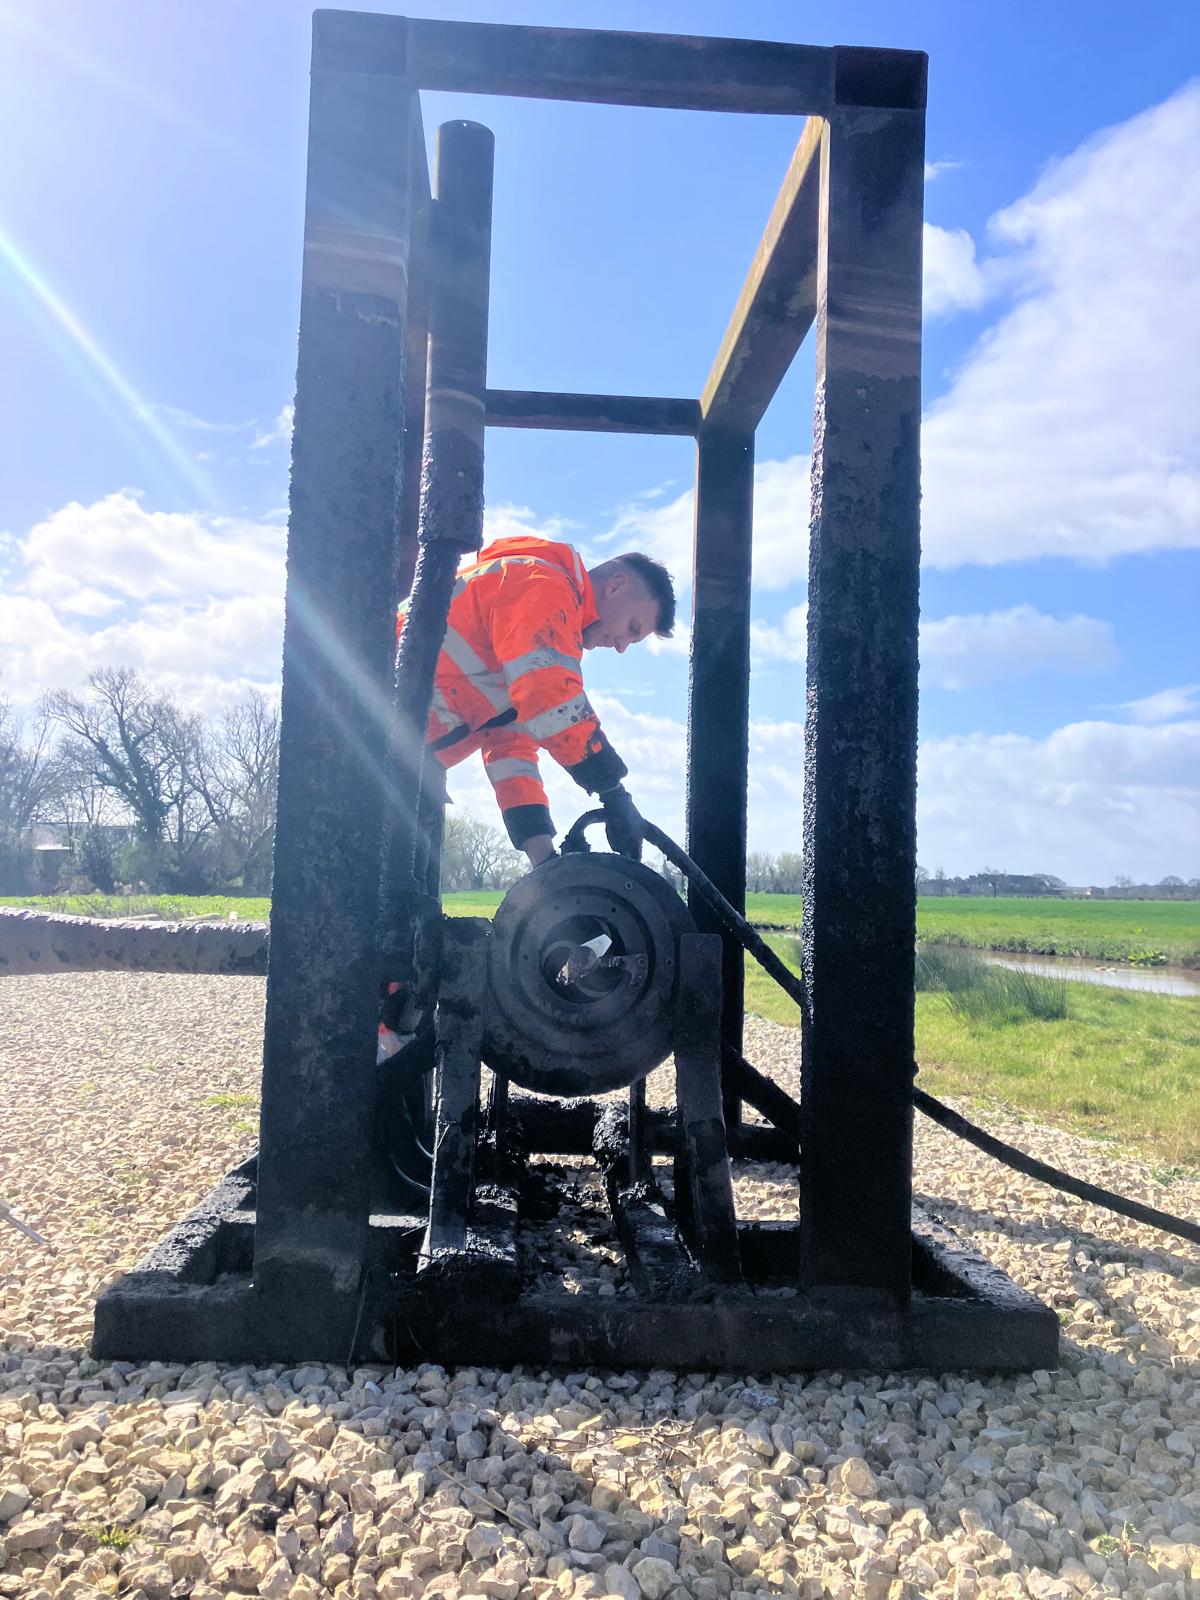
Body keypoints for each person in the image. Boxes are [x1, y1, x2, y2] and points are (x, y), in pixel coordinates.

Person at [396, 531, 676, 869]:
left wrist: (546, 864)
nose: (621, 646)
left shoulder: (540, 634)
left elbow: (512, 752)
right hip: (362, 727)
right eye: (633, 628)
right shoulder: (542, 583)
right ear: (616, 586)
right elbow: (546, 696)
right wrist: (612, 791)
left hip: (395, 754)